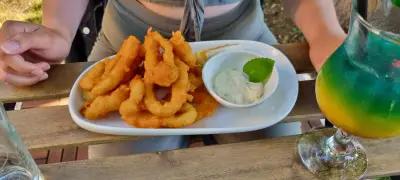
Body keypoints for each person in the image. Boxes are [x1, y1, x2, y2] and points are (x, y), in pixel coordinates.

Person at [0, 0, 346, 158]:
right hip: (127, 43)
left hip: (245, 45)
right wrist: (58, 31)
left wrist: (325, 33)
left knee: (278, 162)